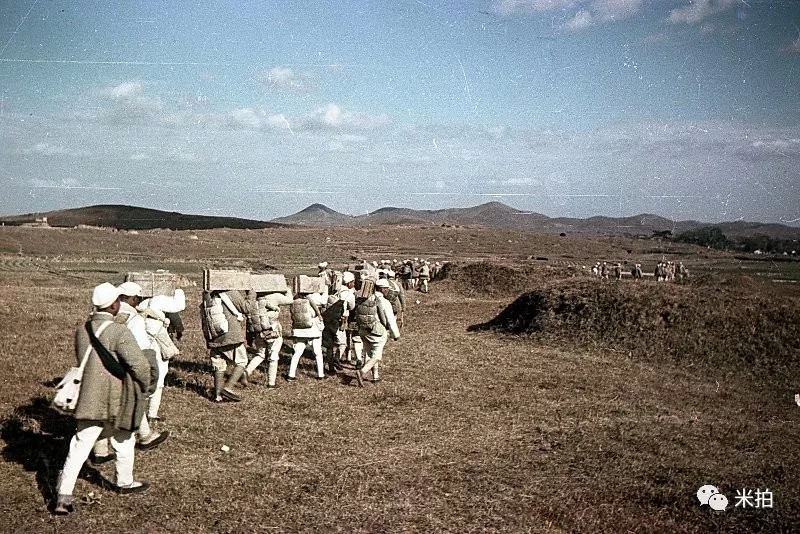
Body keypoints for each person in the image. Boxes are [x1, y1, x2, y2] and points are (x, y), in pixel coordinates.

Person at [54, 283, 153, 515]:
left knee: (78, 446)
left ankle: (63, 496)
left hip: (89, 397)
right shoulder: (119, 331)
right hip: (117, 396)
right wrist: (145, 385)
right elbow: (138, 365)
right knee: (124, 438)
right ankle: (124, 482)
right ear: (115, 304)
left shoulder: (83, 330)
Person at [202, 289, 250, 402]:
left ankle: (218, 396)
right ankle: (228, 388)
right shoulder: (231, 293)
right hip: (230, 336)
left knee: (218, 365)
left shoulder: (208, 295)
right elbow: (247, 308)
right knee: (242, 361)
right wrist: (251, 293)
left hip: (214, 336)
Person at [354, 278, 400, 386]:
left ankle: (375, 376)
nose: (387, 291)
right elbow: (390, 320)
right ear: (382, 289)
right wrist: (395, 335)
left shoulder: (366, 299)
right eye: (387, 289)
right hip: (377, 332)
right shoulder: (384, 302)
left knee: (369, 354)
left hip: (363, 330)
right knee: (377, 356)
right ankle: (362, 372)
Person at [244, 287, 293, 388]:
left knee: (260, 354)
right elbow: (290, 300)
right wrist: (286, 288)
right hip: (272, 330)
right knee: (273, 356)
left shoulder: (254, 299)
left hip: (258, 330)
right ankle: (271, 383)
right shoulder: (275, 296)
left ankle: (246, 372)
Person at [287, 286, 327, 380]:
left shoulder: (296, 298)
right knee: (317, 352)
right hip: (313, 329)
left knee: (297, 352)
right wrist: (325, 287)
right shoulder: (315, 297)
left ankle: (291, 374)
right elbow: (324, 301)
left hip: (299, 329)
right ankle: (321, 375)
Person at [322, 271, 356, 375]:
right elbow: (352, 307)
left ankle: (330, 362)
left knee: (330, 344)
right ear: (349, 283)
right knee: (343, 343)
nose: (354, 284)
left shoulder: (334, 291)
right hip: (341, 320)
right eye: (353, 282)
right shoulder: (349, 294)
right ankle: (335, 360)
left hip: (328, 320)